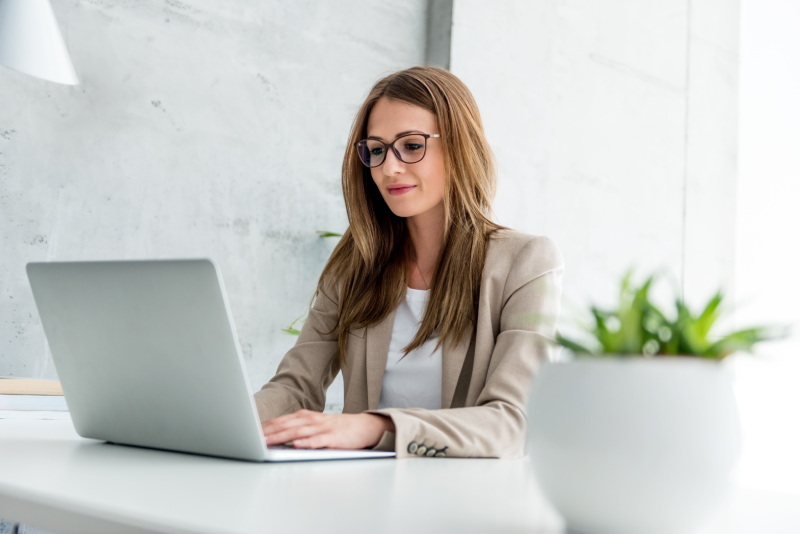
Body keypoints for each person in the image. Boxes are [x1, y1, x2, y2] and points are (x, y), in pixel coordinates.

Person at [256, 66, 563, 459]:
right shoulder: (357, 262)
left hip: (468, 505)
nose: (389, 168)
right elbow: (295, 388)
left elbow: (511, 423)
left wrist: (378, 426)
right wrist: (226, 419)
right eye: (378, 149)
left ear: (460, 145)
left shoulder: (526, 262)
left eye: (412, 145)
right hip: (365, 494)